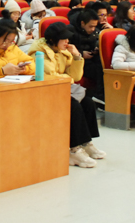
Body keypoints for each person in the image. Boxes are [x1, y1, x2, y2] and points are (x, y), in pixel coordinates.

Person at [27, 22, 105, 167]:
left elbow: (75, 76)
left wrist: (77, 56)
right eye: (64, 39)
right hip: (46, 92)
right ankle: (74, 149)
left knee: (88, 102)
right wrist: (67, 78)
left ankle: (86, 143)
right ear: (53, 40)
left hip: (62, 88)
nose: (67, 42)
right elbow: (51, 77)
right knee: (73, 106)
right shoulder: (38, 54)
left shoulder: (63, 52)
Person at [69, 9, 104, 101]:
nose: (93, 29)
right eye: (91, 26)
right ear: (82, 23)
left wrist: (95, 49)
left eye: (95, 26)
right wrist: (81, 53)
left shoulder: (95, 32)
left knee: (104, 65)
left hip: (91, 59)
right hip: (77, 62)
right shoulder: (70, 31)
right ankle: (99, 95)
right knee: (99, 70)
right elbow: (65, 49)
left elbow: (94, 42)